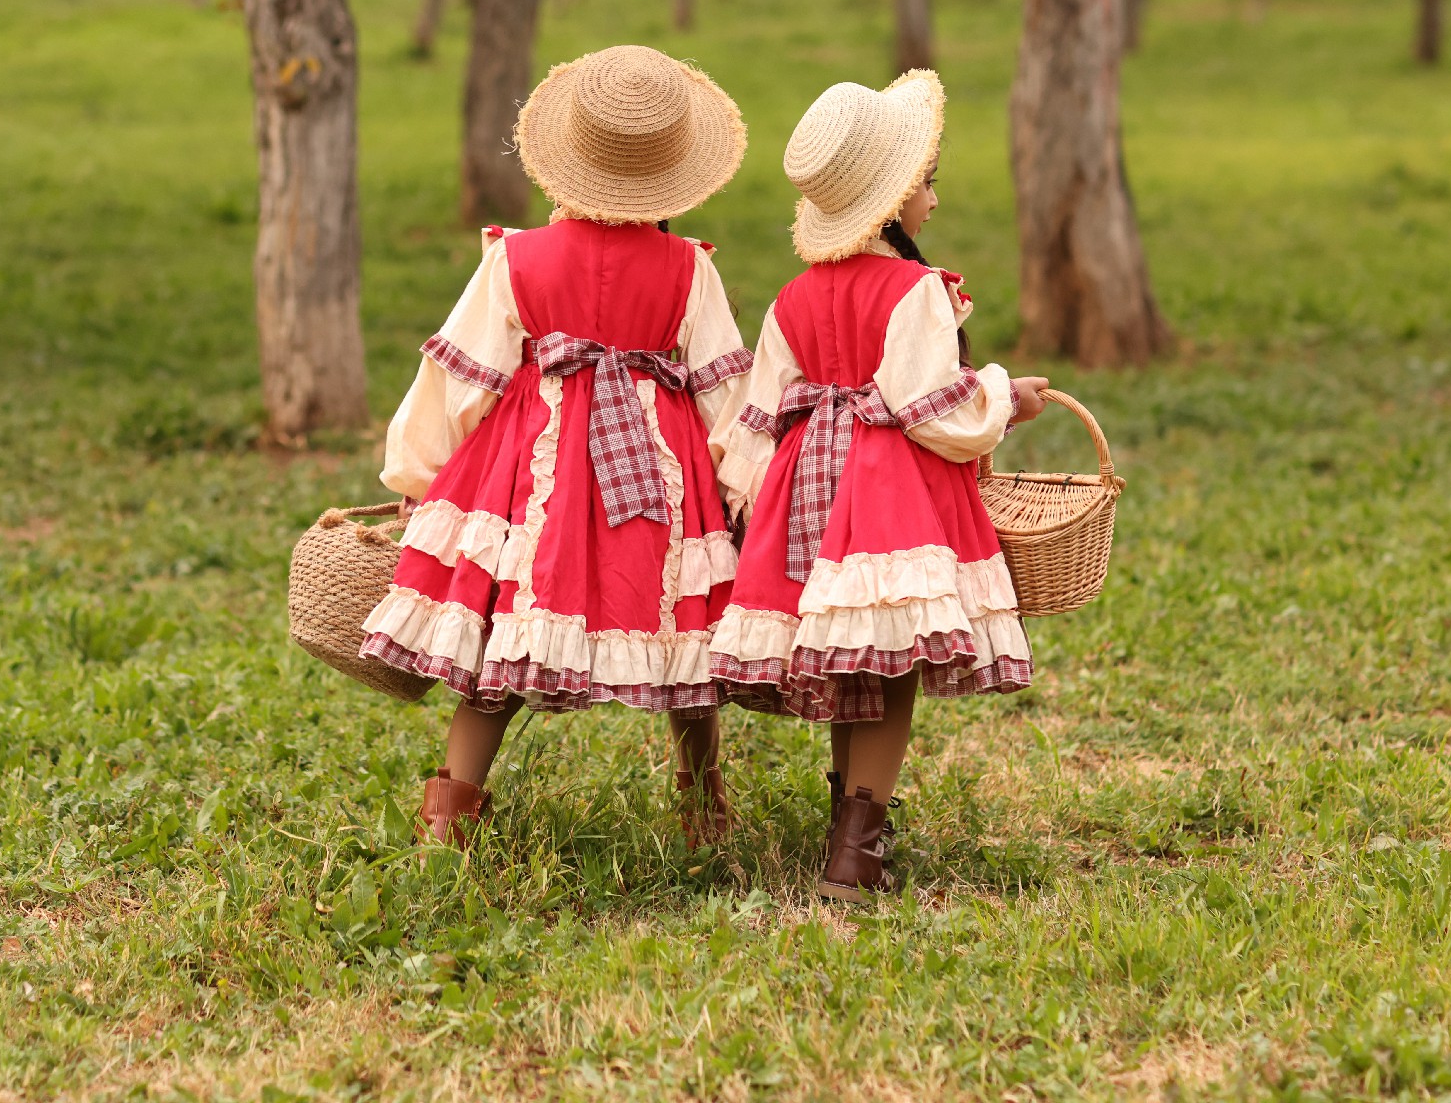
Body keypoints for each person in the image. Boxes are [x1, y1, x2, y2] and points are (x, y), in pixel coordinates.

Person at [362, 45, 755, 847]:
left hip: (529, 473)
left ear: (563, 159)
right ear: (672, 175)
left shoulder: (516, 258)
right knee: (680, 625)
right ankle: (702, 801)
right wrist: (744, 486)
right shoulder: (688, 269)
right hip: (660, 474)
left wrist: (421, 473)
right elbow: (728, 397)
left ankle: (450, 812)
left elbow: (461, 375)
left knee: (507, 624)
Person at [707, 71, 1049, 901]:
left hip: (806, 492)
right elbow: (930, 407)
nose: (934, 196)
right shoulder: (913, 290)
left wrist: (745, 499)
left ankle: (848, 834)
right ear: (893, 200)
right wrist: (1006, 398)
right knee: (889, 666)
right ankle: (858, 849)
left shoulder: (794, 296)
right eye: (926, 182)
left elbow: (759, 414)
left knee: (851, 656)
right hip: (885, 495)